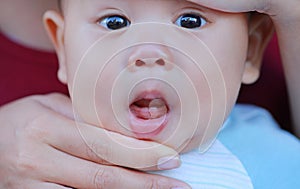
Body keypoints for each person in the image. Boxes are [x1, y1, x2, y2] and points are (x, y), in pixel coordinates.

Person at [0, 0, 299, 188]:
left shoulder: (279, 161)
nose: (149, 52)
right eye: (115, 22)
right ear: (63, 47)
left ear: (251, 49)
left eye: (190, 21)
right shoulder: (37, 170)